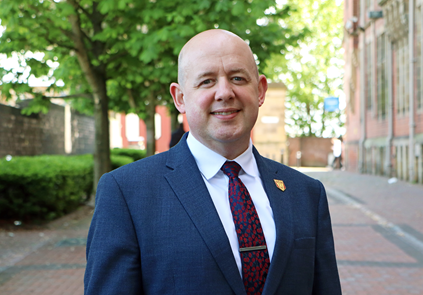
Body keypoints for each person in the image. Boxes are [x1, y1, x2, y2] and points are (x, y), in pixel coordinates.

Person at [84, 29, 341, 295]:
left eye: (238, 78)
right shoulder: (127, 192)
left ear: (260, 90)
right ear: (180, 98)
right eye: (206, 81)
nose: (224, 92)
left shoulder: (307, 193)